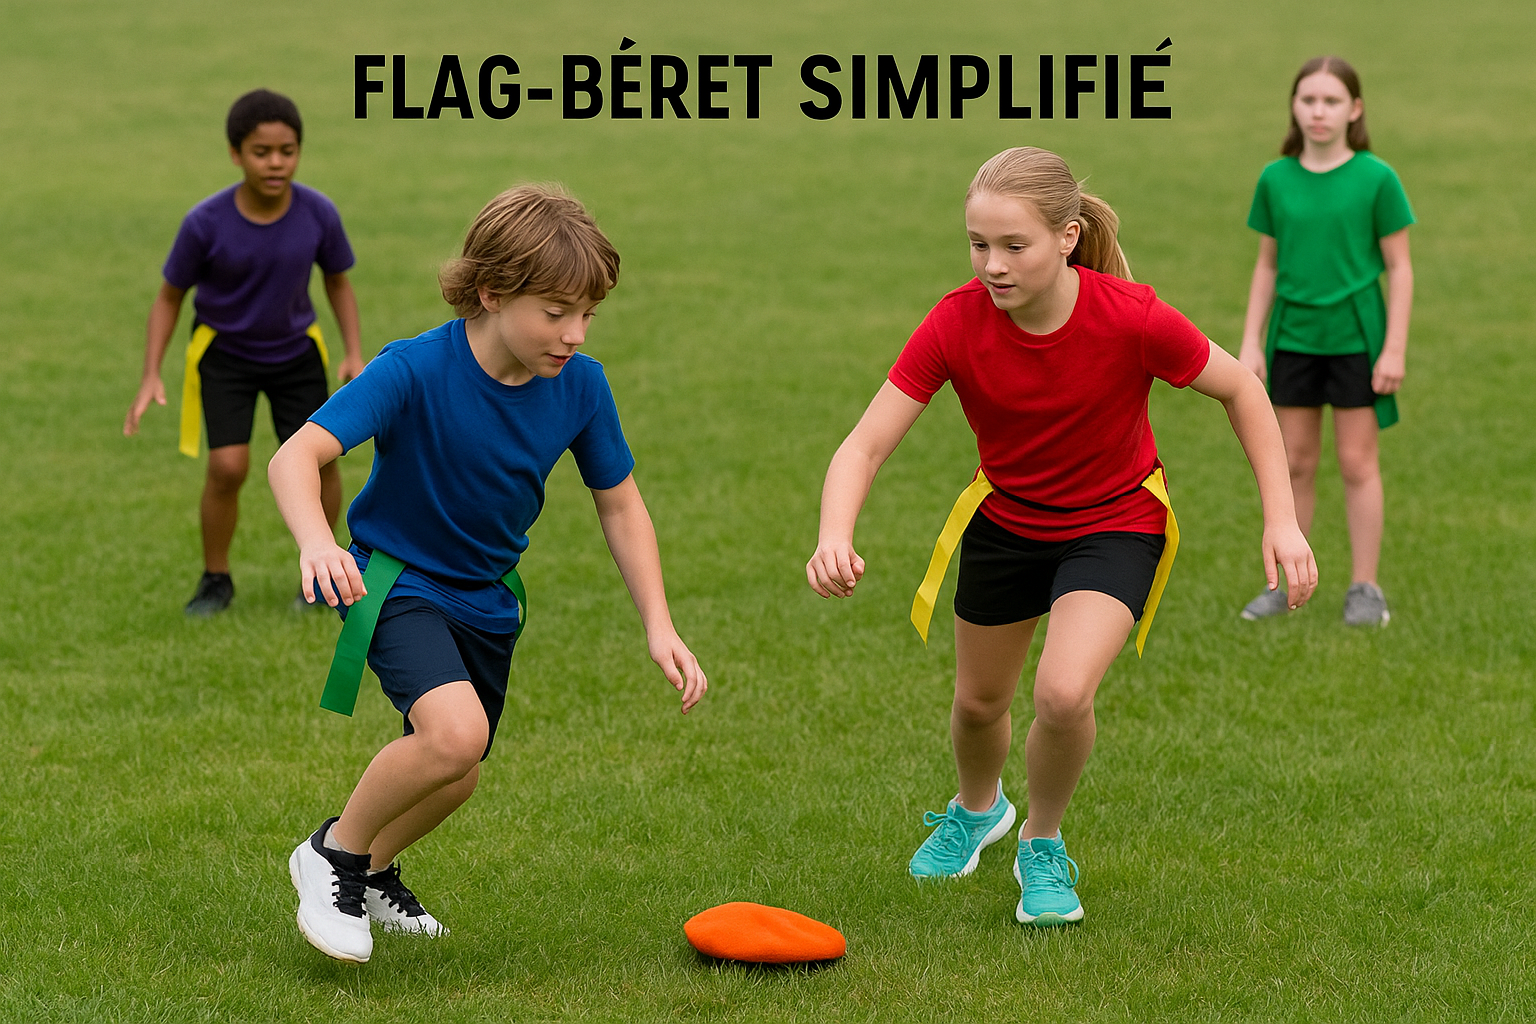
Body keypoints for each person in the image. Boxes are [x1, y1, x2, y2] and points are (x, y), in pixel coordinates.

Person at [806, 147, 1316, 927]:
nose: (993, 265)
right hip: (1007, 522)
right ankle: (978, 810)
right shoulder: (955, 321)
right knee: (979, 705)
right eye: (979, 244)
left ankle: (1041, 841)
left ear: (1067, 237)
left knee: (1064, 692)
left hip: (1115, 523)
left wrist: (1281, 518)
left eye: (1015, 246)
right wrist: (833, 532)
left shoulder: (1132, 316)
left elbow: (1242, 390)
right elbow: (865, 444)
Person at [268, 184, 707, 964]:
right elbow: (296, 455)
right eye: (556, 312)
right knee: (455, 736)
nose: (574, 334)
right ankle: (332, 855)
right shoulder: (413, 369)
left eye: (588, 315)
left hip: (485, 598)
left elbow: (620, 505)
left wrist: (659, 623)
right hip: (393, 580)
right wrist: (315, 541)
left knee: (457, 771)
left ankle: (372, 871)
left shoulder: (581, 386)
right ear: (493, 292)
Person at [124, 88, 365, 616]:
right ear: (236, 154)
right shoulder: (205, 223)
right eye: (262, 152)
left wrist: (353, 352)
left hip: (297, 354)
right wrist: (151, 373)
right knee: (228, 467)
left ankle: (325, 577)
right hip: (225, 357)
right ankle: (216, 580)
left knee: (322, 463)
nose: (276, 163)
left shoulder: (318, 213)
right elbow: (169, 297)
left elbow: (338, 282)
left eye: (287, 151)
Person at [1237, 56, 1415, 627]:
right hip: (1293, 337)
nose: (1319, 111)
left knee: (1358, 462)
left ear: (1354, 109)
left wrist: (1393, 348)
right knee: (1294, 463)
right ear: (1294, 106)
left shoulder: (1377, 178)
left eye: (1332, 101)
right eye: (1309, 100)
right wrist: (1251, 340)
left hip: (1356, 339)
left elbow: (1400, 268)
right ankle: (1287, 584)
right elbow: (1267, 266)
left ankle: (1366, 588)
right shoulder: (1275, 178)